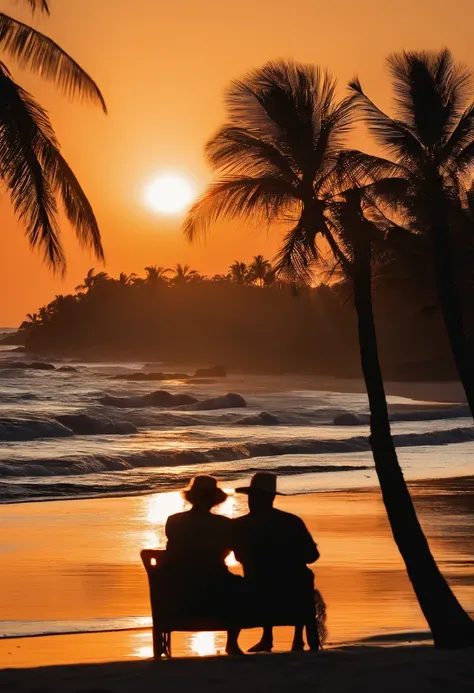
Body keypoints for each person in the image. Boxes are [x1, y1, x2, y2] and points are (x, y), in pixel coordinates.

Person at [233, 472, 321, 652]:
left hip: (256, 587)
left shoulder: (239, 525)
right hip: (292, 588)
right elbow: (312, 555)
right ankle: (297, 638)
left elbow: (238, 557)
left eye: (252, 497)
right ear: (272, 498)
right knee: (301, 577)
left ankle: (267, 637)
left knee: (257, 577)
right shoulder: (292, 521)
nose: (250, 501)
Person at [165, 475, 244, 655]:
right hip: (216, 584)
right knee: (239, 584)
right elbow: (234, 551)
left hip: (180, 585)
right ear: (213, 500)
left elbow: (172, 551)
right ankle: (231, 642)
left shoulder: (173, 521)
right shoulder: (223, 523)